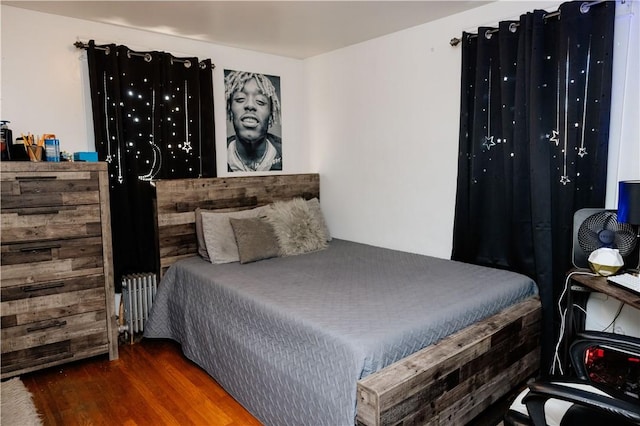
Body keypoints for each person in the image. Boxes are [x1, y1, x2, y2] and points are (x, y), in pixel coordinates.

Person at [225, 71, 282, 171]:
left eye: (260, 101)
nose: (250, 105)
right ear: (230, 110)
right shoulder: (214, 155)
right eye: (240, 99)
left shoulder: (289, 154)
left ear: (271, 114)